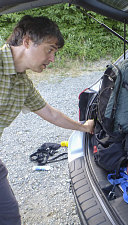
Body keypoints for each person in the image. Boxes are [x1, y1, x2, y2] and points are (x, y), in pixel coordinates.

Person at [0, 15, 94, 224]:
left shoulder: (22, 84)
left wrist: (84, 127)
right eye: (49, 49)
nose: (52, 59)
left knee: (9, 216)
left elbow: (50, 113)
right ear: (27, 42)